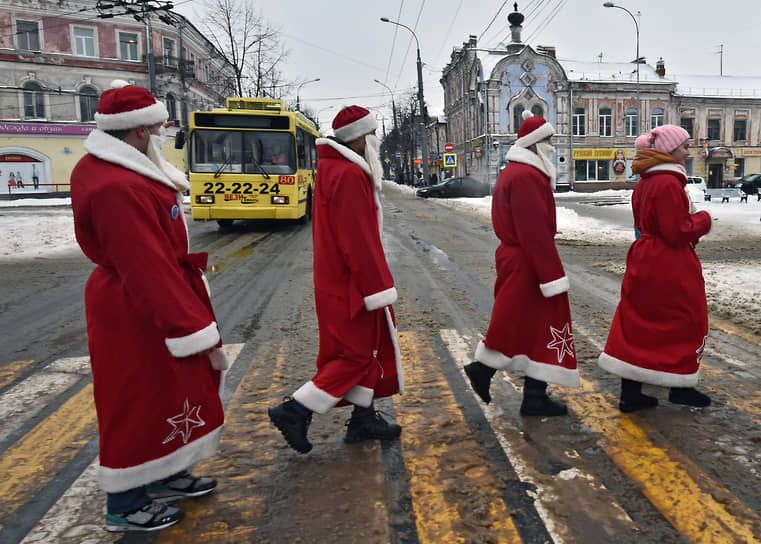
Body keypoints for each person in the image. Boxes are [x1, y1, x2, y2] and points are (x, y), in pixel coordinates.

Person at [70, 80, 229, 532]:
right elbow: (145, 266)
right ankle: (125, 499)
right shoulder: (116, 185)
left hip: (145, 302)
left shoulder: (125, 171)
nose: (163, 132)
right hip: (135, 311)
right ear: (138, 131)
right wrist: (188, 324)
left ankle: (163, 474)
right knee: (133, 400)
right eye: (158, 126)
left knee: (166, 393)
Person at [268, 105, 403, 453]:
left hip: (341, 281)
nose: (375, 141)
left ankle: (362, 419)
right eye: (372, 134)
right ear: (359, 138)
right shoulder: (349, 175)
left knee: (365, 351)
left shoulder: (335, 168)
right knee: (354, 356)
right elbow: (357, 241)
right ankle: (295, 409)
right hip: (351, 286)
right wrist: (377, 287)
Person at [464, 111, 580, 416]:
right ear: (534, 144)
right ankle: (487, 371)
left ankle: (533, 394)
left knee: (531, 326)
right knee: (521, 322)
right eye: (548, 140)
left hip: (521, 259)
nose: (553, 146)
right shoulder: (527, 176)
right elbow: (534, 232)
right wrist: (552, 276)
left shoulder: (517, 172)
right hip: (529, 261)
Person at [598, 124, 712, 412]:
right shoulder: (668, 183)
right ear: (669, 150)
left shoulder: (646, 182)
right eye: (684, 146)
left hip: (645, 258)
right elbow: (676, 230)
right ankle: (680, 387)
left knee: (639, 323)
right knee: (684, 320)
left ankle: (631, 392)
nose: (688, 152)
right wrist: (703, 221)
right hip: (668, 262)